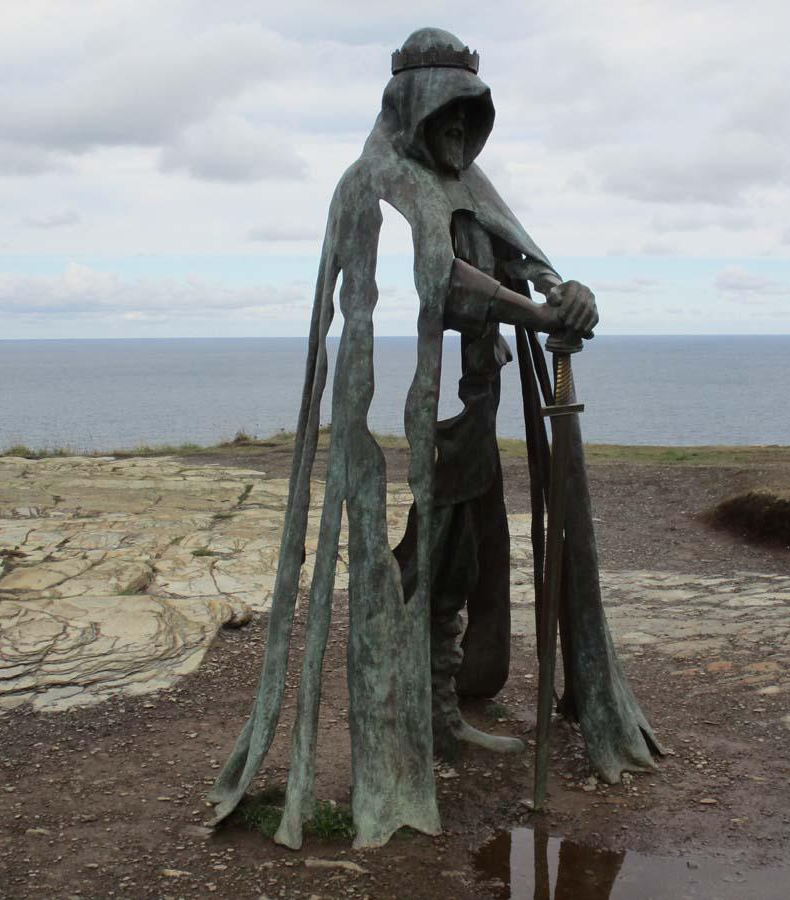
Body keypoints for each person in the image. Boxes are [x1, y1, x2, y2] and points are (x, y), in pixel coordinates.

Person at [208, 26, 659, 851]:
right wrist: (530, 309)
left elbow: (521, 258)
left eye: (470, 120)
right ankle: (401, 735)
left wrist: (565, 290)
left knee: (459, 566)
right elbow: (441, 279)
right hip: (395, 436)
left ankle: (443, 713)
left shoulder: (472, 185)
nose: (458, 136)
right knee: (409, 571)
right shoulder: (372, 183)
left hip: (469, 419)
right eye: (447, 118)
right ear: (413, 109)